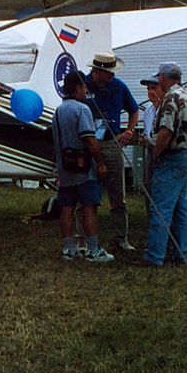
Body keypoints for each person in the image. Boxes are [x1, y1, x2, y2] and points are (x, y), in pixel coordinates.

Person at [139, 62, 187, 268]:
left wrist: (155, 152)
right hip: (186, 155)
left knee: (160, 209)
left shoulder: (171, 99)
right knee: (181, 208)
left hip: (170, 158)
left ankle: (155, 256)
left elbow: (165, 132)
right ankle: (182, 253)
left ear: (164, 78)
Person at [52, 71, 115, 263]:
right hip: (84, 167)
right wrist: (101, 162)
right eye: (85, 87)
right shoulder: (82, 109)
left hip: (65, 167)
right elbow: (88, 138)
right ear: (78, 88)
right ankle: (93, 250)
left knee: (67, 207)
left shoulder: (58, 110)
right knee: (89, 206)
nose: (86, 91)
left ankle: (68, 249)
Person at [81, 51, 140, 252]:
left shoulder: (119, 86)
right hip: (89, 144)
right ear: (98, 71)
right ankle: (86, 239)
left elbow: (134, 110)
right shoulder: (83, 84)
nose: (113, 76)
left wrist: (129, 130)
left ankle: (120, 238)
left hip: (112, 142)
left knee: (118, 196)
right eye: (110, 72)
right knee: (87, 194)